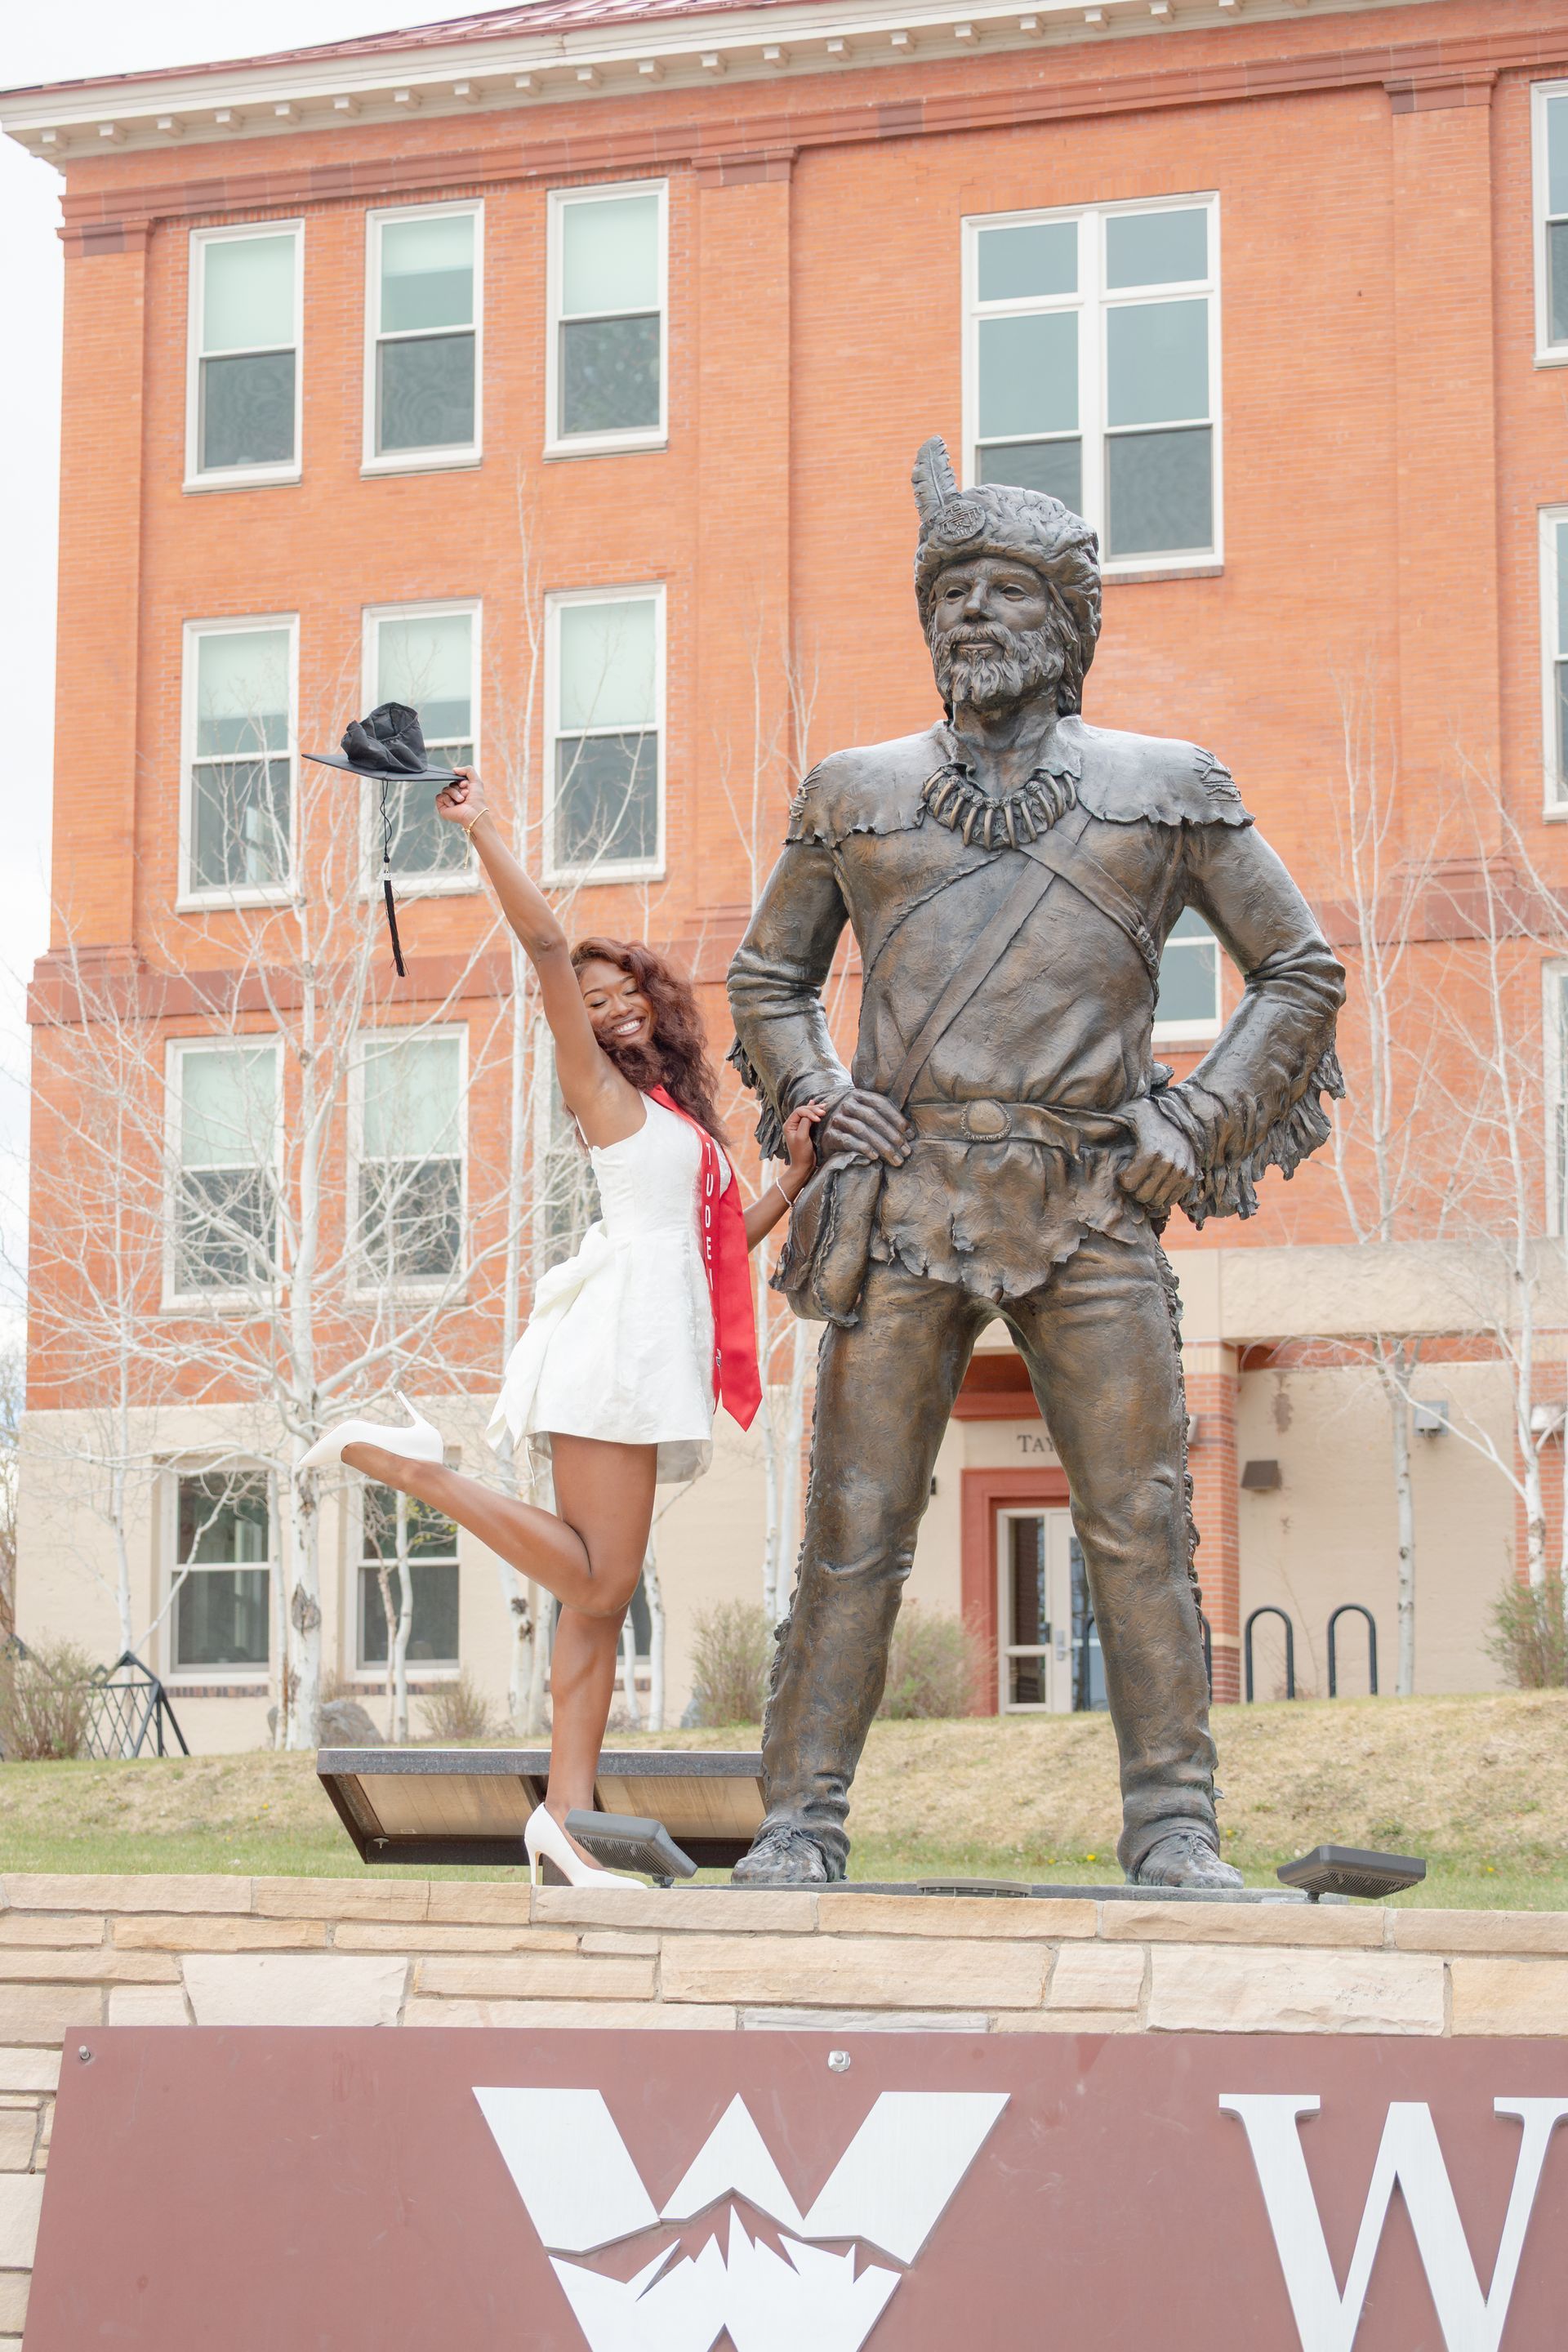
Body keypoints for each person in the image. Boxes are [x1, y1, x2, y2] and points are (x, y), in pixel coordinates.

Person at [725, 438, 1345, 1890]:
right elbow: (768, 978)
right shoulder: (853, 793)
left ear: (1068, 628)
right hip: (905, 1205)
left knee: (1140, 1524)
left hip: (1090, 1204)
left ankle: (1175, 1822)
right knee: (855, 1526)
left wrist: (1191, 1122)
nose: (972, 619)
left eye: (1007, 593)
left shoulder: (1166, 788)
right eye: (951, 594)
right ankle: (800, 1820)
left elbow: (1298, 970)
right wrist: (819, 1086)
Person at [303, 767, 822, 1888]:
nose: (611, 1003)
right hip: (614, 1343)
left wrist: (794, 1181)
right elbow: (541, 949)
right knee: (599, 1585)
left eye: (624, 985)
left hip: (652, 1344)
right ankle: (421, 1473)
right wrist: (483, 828)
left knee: (595, 1605)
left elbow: (716, 1249)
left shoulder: (677, 1113)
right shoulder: (597, 1091)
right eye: (593, 996)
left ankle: (568, 1819)